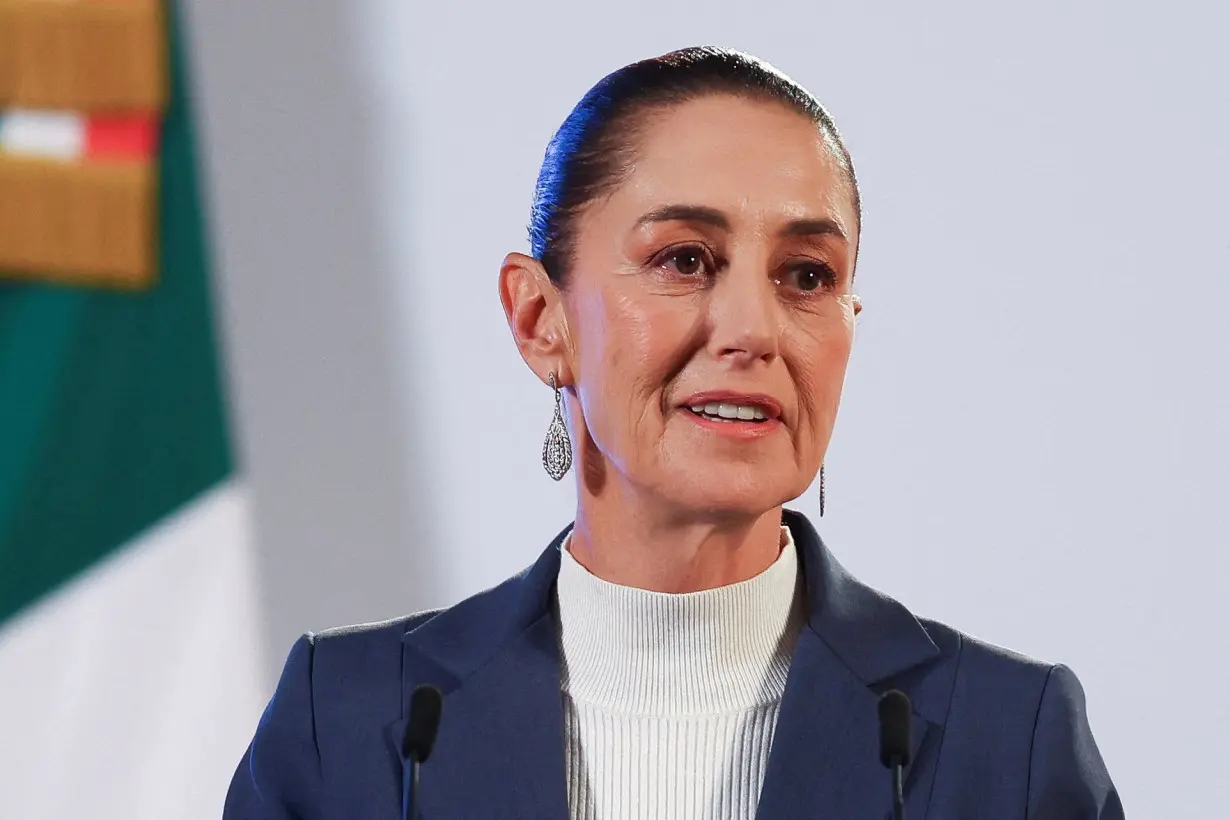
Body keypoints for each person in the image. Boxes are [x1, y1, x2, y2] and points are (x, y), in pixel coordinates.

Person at [223, 46, 1122, 819]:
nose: (755, 330)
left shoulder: (1007, 743)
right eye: (685, 260)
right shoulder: (346, 724)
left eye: (806, 275)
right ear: (540, 319)